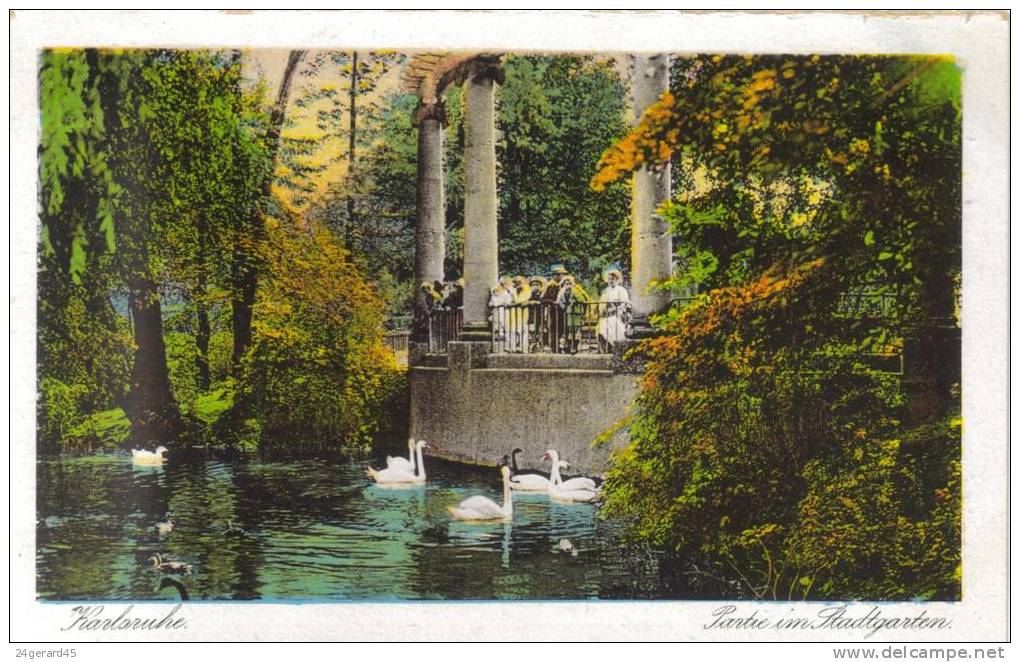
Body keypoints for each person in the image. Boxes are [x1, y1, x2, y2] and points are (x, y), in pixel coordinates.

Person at [597, 266, 631, 350]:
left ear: (617, 279)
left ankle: (619, 345)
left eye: (612, 279)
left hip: (619, 313)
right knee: (603, 326)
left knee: (616, 326)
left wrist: (615, 309)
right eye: (609, 279)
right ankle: (608, 347)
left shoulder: (621, 290)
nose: (611, 281)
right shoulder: (607, 290)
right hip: (608, 314)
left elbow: (624, 303)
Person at [556, 275, 590, 353]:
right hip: (568, 312)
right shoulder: (561, 293)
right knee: (568, 329)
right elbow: (559, 301)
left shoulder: (575, 291)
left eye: (569, 283)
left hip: (576, 312)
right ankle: (567, 346)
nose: (568, 285)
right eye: (566, 284)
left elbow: (582, 300)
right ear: (563, 285)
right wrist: (563, 306)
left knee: (576, 329)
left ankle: (575, 346)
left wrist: (575, 301)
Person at [508, 276, 532, 352]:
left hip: (524, 313)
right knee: (513, 330)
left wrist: (513, 304)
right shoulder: (513, 290)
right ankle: (513, 347)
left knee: (524, 330)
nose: (517, 284)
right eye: (515, 282)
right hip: (514, 313)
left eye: (519, 282)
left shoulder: (527, 289)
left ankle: (524, 348)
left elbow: (522, 301)